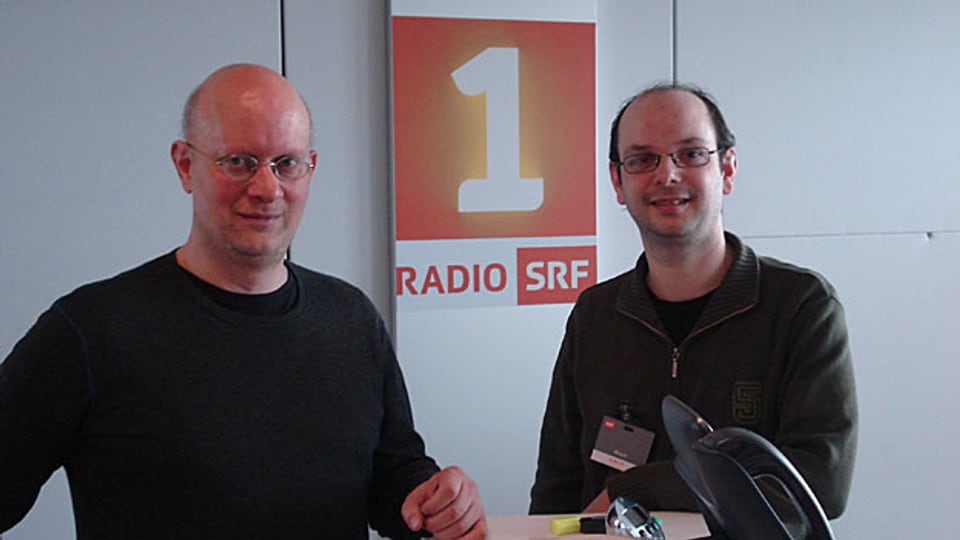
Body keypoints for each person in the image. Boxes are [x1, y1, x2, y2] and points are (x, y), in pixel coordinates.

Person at [0, 64, 486, 540]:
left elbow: (393, 481)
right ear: (185, 165)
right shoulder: (91, 331)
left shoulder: (350, 319)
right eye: (239, 161)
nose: (266, 188)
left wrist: (436, 500)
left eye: (286, 164)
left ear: (310, 169)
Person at [529, 83, 857, 519]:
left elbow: (821, 483)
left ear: (728, 169)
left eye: (691, 154)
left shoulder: (802, 307)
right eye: (642, 159)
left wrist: (639, 487)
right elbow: (556, 488)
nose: (667, 175)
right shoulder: (595, 315)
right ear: (617, 181)